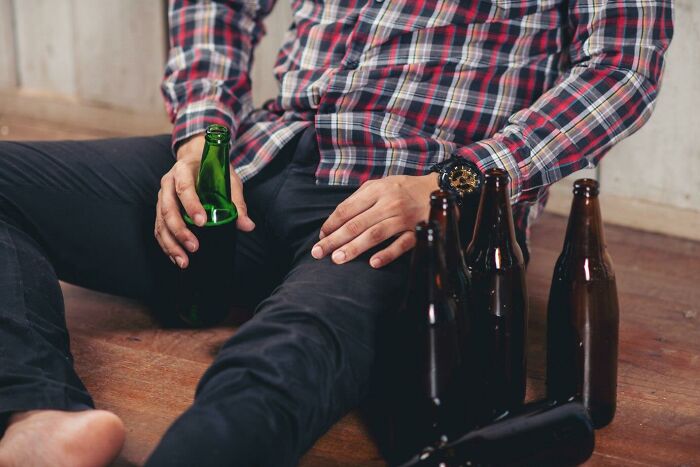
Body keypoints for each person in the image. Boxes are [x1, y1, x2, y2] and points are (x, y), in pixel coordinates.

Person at [0, 0, 673, 465]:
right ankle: (37, 412)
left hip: (407, 198)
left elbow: (622, 66)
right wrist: (203, 137)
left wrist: (455, 184)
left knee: (282, 360)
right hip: (258, 155)